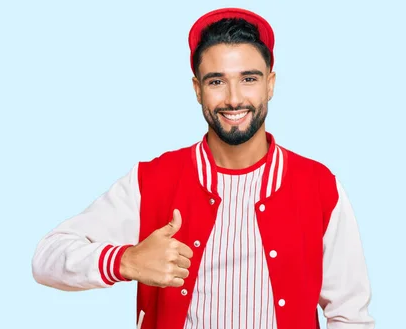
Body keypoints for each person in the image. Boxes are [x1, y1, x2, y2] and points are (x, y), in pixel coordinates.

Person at [32, 7, 375, 329]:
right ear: (197, 89)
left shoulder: (318, 186)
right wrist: (127, 261)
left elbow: (350, 313)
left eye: (249, 79)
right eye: (216, 81)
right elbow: (47, 258)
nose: (234, 98)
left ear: (270, 83)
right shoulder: (152, 181)